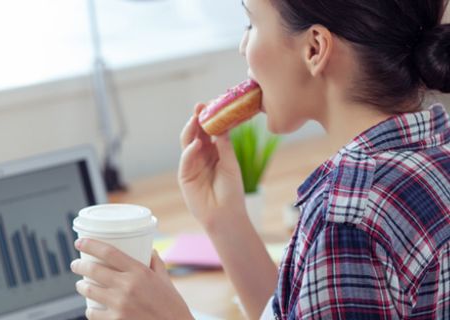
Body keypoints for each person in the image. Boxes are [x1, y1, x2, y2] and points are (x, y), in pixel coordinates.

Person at [69, 0, 450, 318]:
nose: (242, 47)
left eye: (251, 22)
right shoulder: (435, 149)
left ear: (315, 48)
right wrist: (225, 220)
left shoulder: (348, 216)